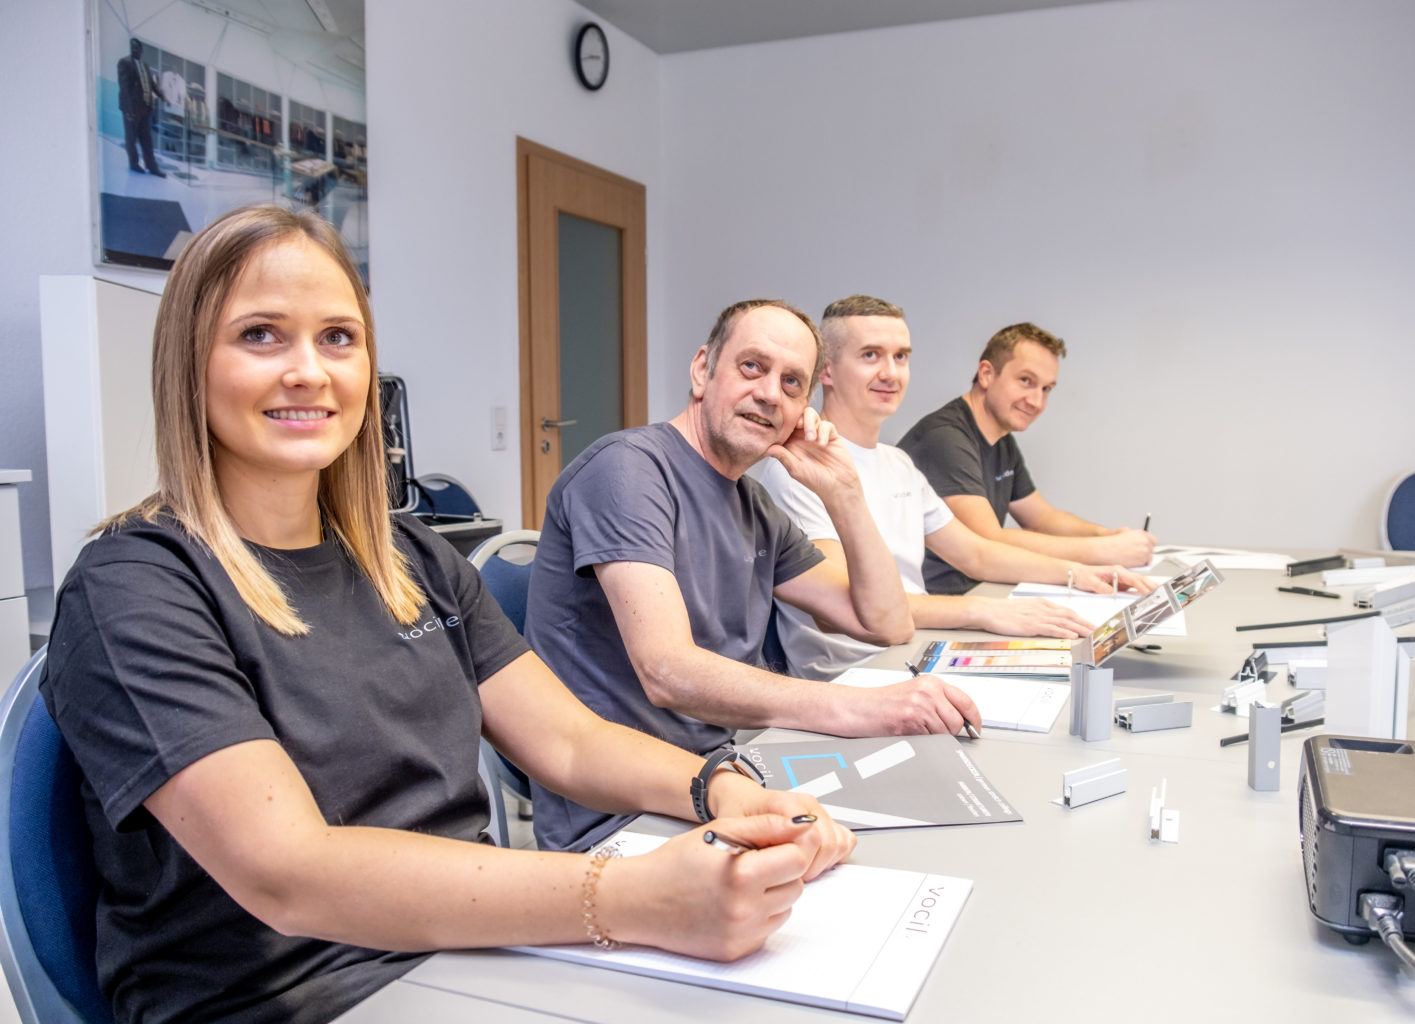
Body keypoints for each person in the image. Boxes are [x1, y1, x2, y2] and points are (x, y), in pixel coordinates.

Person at [41, 206, 854, 1024]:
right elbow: (290, 874)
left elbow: (569, 742)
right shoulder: (134, 587)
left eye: (338, 338)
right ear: (190, 361)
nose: (309, 371)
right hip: (294, 997)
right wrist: (631, 897)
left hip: (467, 952)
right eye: (260, 335)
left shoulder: (412, 559)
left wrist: (717, 787)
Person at [525, 298, 982, 853]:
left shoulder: (753, 504)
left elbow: (886, 623)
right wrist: (859, 707)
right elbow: (667, 670)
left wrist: (842, 492)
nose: (770, 394)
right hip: (621, 817)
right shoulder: (628, 469)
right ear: (702, 370)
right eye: (752, 366)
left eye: (792, 383)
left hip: (725, 778)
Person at [755, 295, 1150, 680]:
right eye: (871, 355)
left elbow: (975, 553)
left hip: (917, 644)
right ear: (825, 370)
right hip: (858, 671)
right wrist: (984, 611)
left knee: (1078, 662)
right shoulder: (800, 468)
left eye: (901, 356)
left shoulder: (899, 464)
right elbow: (851, 607)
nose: (891, 373)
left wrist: (1079, 574)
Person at [898, 322, 1158, 595]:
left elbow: (1042, 518)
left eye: (1046, 389)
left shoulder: (1001, 440)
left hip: (977, 591)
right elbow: (989, 541)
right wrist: (1104, 551)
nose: (1036, 401)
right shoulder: (945, 438)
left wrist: (1106, 535)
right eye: (1026, 381)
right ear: (986, 374)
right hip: (934, 600)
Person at [116, 38, 166, 177]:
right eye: (132, 47)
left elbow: (151, 84)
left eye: (137, 47)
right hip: (132, 108)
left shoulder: (145, 65)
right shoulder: (124, 63)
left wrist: (161, 95)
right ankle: (134, 163)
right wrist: (128, 109)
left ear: (141, 50)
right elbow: (124, 87)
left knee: (147, 140)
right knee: (131, 138)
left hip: (145, 108)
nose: (134, 49)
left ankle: (152, 167)